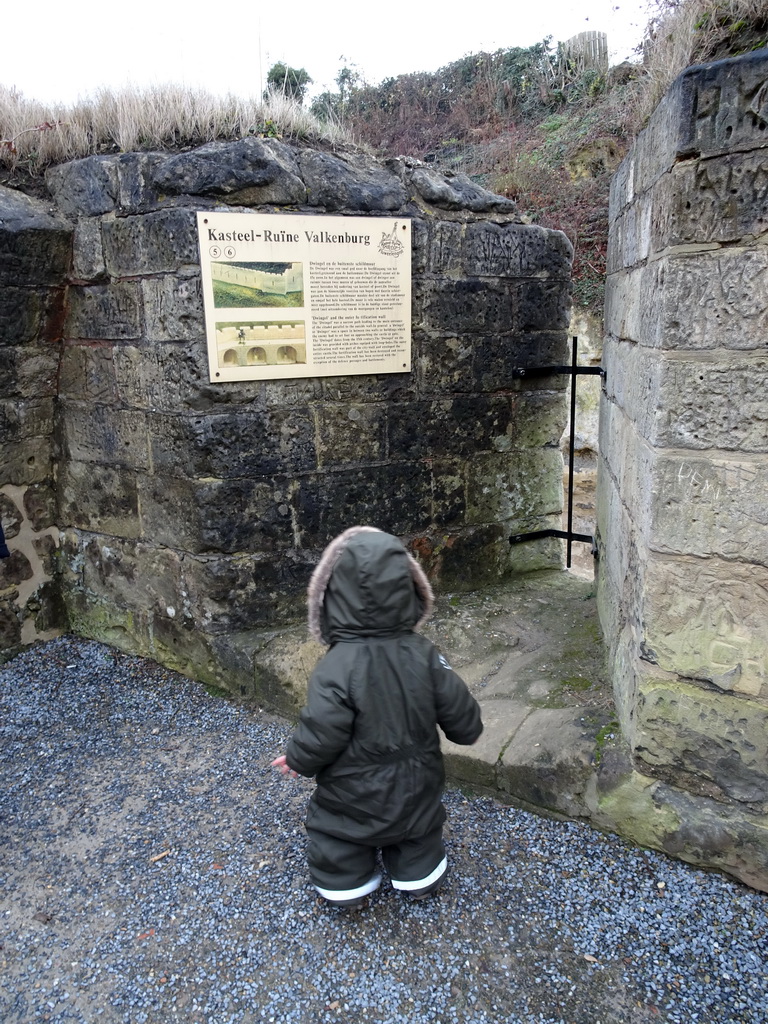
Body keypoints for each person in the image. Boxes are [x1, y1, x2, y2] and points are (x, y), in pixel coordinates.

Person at [271, 526, 483, 907]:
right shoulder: (424, 654)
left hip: (354, 793)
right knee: (419, 826)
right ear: (408, 589)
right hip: (418, 785)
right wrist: (468, 727)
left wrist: (298, 759)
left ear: (331, 597)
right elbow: (461, 712)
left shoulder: (335, 667)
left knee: (337, 829)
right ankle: (418, 874)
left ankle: (346, 882)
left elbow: (322, 728)